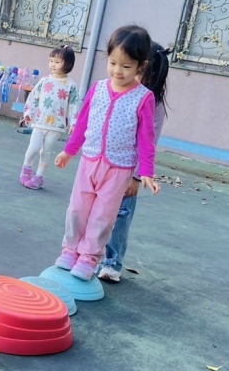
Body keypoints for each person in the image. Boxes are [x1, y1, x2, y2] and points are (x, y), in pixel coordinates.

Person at [53, 25, 160, 280]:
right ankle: (70, 249)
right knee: (77, 209)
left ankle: (89, 257)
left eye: (126, 66)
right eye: (113, 63)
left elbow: (146, 139)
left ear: (141, 66)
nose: (117, 71)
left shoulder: (144, 98)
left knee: (102, 216)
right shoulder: (98, 88)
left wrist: (146, 171)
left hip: (118, 168)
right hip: (89, 160)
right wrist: (69, 151)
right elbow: (83, 123)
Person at [98, 43, 170, 282]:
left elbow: (148, 143)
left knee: (120, 216)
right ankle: (89, 255)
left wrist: (137, 178)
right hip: (106, 165)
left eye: (132, 68)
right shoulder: (115, 91)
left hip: (129, 172)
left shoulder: (152, 104)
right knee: (97, 212)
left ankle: (111, 263)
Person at [19, 45, 78, 190]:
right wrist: (28, 113)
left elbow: (73, 104)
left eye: (57, 62)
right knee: (33, 149)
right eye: (51, 61)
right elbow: (33, 97)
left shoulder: (71, 85)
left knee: (46, 152)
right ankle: (26, 169)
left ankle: (39, 176)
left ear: (68, 64)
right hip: (39, 122)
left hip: (56, 126)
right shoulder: (45, 80)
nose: (53, 64)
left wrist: (73, 123)